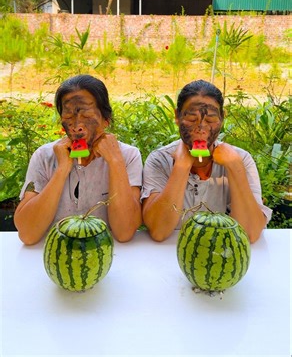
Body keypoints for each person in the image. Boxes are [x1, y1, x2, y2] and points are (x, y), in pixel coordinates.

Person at [14, 75, 143, 245]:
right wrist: (62, 169)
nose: (77, 126)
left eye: (87, 116)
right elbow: (28, 235)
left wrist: (115, 161)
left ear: (106, 119)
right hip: (54, 254)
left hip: (109, 253)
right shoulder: (44, 156)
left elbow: (124, 233)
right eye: (68, 117)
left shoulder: (128, 156)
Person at [141, 79, 272, 243]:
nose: (201, 128)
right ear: (177, 116)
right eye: (191, 119)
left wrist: (235, 167)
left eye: (210, 120)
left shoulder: (241, 159)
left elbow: (250, 233)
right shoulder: (160, 160)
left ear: (222, 118)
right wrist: (181, 167)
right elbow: (158, 231)